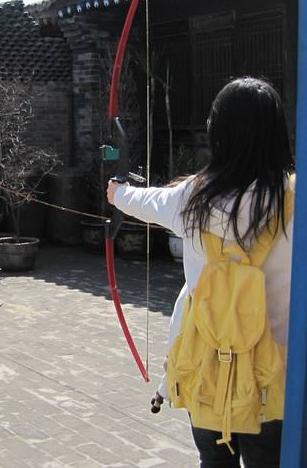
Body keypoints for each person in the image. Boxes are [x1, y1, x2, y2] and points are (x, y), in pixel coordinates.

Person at [107, 77, 294, 468]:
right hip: (276, 376)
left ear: (217, 133)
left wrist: (117, 191)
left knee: (213, 460)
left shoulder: (191, 197)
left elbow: (137, 200)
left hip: (205, 369)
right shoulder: (296, 198)